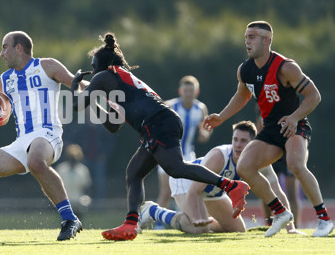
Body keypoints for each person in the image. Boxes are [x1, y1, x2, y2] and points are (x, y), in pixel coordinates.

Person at [71, 32, 250, 241]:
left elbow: (75, 104)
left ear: (102, 65)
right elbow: (112, 125)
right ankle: (131, 224)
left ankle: (232, 186)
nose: (92, 72)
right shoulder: (116, 84)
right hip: (159, 123)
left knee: (176, 168)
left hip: (158, 122)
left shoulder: (105, 75)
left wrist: (75, 85)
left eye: (93, 67)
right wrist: (93, 100)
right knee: (135, 172)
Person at [203, 20, 333, 237]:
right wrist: (222, 117)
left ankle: (324, 220)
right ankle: (281, 213)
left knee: (296, 165)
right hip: (271, 129)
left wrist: (293, 118)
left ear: (267, 41)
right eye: (246, 37)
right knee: (245, 167)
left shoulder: (286, 67)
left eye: (252, 37)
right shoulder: (245, 70)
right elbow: (242, 96)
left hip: (294, 124)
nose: (247, 41)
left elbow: (314, 96)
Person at [0, 31, 85, 241]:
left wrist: (102, 93)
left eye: (5, 47)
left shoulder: (47, 66)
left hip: (48, 133)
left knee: (35, 160)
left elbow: (76, 83)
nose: (1, 53)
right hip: (22, 141)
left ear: (19, 48)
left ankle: (70, 219)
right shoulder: (4, 80)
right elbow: (3, 117)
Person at [140, 121, 304, 234]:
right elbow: (194, 191)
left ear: (254, 143)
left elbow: (278, 193)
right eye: (235, 140)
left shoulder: (261, 162)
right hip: (186, 182)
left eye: (243, 141)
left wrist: (291, 228)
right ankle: (153, 211)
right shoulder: (220, 156)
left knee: (238, 230)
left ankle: (197, 222)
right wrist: (197, 218)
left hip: (212, 191)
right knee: (198, 229)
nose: (238, 145)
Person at [156, 75, 211, 210]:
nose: (188, 94)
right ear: (180, 91)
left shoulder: (200, 108)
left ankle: (185, 220)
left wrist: (205, 134)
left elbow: (205, 129)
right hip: (167, 154)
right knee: (166, 193)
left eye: (191, 91)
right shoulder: (170, 105)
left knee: (186, 191)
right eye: (185, 91)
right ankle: (158, 225)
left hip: (187, 156)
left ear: (196, 92)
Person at [55, 144, 92, 217]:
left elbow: (87, 188)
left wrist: (85, 200)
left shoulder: (83, 170)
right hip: (64, 203)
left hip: (79, 204)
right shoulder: (61, 169)